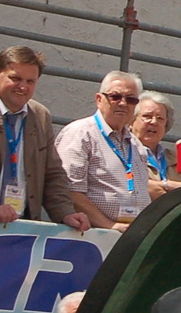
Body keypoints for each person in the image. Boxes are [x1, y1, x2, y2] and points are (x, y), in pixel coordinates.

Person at [0, 47, 89, 231]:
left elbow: (53, 174)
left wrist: (66, 212)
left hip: (22, 227)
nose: (23, 87)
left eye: (30, 81)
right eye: (15, 78)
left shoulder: (40, 116)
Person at [55, 71, 151, 230]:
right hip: (90, 234)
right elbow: (69, 190)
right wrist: (109, 225)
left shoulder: (136, 145)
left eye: (131, 99)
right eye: (115, 97)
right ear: (99, 99)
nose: (123, 103)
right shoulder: (81, 133)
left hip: (130, 234)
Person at [134, 93, 181, 197]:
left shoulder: (177, 159)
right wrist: (168, 185)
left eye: (160, 118)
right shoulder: (124, 155)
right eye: (147, 116)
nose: (154, 122)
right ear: (131, 121)